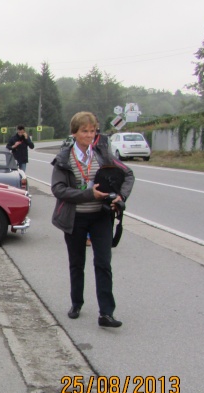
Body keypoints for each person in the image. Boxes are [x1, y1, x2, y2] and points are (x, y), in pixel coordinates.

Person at [51, 111, 134, 328]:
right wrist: (89, 195)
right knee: (77, 263)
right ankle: (76, 303)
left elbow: (128, 175)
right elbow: (58, 190)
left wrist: (120, 197)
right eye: (84, 131)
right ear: (74, 133)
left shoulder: (102, 154)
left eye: (93, 131)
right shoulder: (63, 158)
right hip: (75, 218)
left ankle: (106, 313)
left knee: (103, 263)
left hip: (101, 217)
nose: (89, 135)